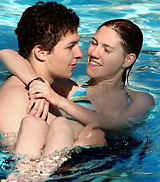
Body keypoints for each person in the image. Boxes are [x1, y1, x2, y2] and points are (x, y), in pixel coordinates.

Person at [0, 1, 106, 159]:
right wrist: (84, 143)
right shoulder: (19, 99)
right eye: (70, 46)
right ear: (41, 52)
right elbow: (22, 164)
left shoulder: (53, 84)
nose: (79, 54)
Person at [26, 19, 155, 133]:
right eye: (94, 43)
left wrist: (59, 101)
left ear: (128, 60)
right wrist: (33, 81)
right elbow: (9, 55)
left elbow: (118, 126)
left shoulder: (140, 100)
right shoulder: (70, 90)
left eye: (107, 50)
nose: (94, 53)